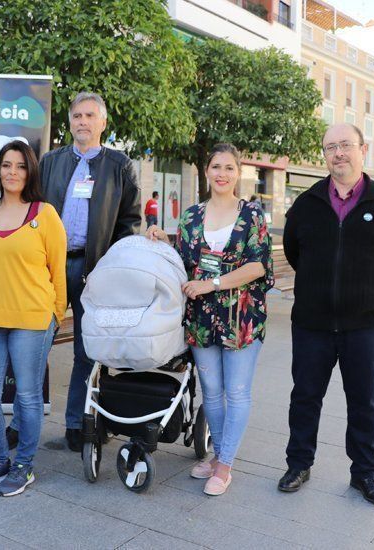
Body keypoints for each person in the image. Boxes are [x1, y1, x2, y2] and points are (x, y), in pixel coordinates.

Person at [279, 123, 374, 507]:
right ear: (324, 154)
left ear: (363, 149)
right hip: (312, 324)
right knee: (305, 396)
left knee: (365, 402)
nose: (338, 153)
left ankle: (365, 474)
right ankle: (299, 464)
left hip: (366, 324)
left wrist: (366, 290)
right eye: (330, 147)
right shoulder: (307, 204)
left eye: (346, 146)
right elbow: (294, 252)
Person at [5, 92, 141, 453]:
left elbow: (129, 221)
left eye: (90, 116)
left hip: (93, 268)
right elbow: (30, 208)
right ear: (69, 122)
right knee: (34, 346)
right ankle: (20, 423)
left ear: (103, 122)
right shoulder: (50, 162)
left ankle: (76, 424)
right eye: (77, 115)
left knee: (87, 350)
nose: (83, 121)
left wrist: (113, 267)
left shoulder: (120, 165)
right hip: (48, 266)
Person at [147, 144, 273, 496]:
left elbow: (257, 265)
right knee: (212, 394)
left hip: (241, 317)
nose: (222, 173)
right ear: (206, 171)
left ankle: (225, 464)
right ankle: (218, 455)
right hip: (202, 317)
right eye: (216, 166)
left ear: (238, 173)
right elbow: (184, 262)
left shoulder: (251, 215)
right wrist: (162, 241)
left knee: (236, 391)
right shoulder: (190, 217)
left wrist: (212, 283)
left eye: (229, 168)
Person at [0, 140, 67, 497]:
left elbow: (58, 271)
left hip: (32, 318)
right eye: (7, 165)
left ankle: (23, 465)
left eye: (21, 166)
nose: (13, 172)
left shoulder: (45, 214)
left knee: (26, 397)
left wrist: (54, 316)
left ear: (31, 172)